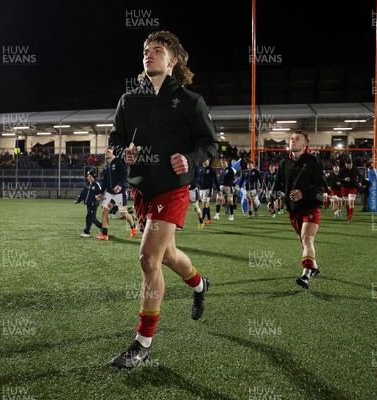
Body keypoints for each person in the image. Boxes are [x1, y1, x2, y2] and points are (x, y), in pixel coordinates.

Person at [108, 30, 219, 368]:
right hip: (143, 189)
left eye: (157, 50)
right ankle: (200, 284)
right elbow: (115, 141)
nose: (149, 54)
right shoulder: (129, 101)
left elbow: (210, 145)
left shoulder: (190, 101)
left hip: (173, 189)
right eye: (146, 50)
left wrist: (191, 158)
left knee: (147, 259)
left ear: (173, 60)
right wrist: (121, 153)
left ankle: (143, 343)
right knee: (167, 256)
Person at [273, 131, 327, 290]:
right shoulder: (284, 163)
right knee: (302, 240)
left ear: (305, 145)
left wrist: (303, 193)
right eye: (291, 138)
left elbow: (321, 185)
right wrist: (273, 200)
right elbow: (277, 185)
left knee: (307, 238)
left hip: (310, 205)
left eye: (297, 139)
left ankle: (306, 275)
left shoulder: (313, 161)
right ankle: (314, 267)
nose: (292, 140)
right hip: (293, 209)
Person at [95, 147, 137, 240]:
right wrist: (101, 193)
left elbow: (125, 174)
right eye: (105, 151)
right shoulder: (106, 167)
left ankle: (133, 226)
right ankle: (104, 234)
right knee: (104, 211)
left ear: (113, 153)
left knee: (123, 213)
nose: (106, 153)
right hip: (110, 193)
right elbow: (105, 182)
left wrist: (120, 186)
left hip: (120, 193)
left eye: (108, 151)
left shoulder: (119, 162)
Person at [74, 170, 103, 237]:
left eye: (90, 176)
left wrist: (98, 197)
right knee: (92, 218)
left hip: (94, 204)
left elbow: (101, 193)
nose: (88, 177)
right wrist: (78, 200)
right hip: (89, 204)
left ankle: (86, 232)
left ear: (93, 177)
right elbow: (83, 194)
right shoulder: (88, 185)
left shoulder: (96, 184)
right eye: (88, 176)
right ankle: (102, 227)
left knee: (89, 217)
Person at [197, 158, 220, 226]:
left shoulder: (211, 169)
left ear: (208, 161)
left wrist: (219, 190)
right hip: (201, 189)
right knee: (206, 205)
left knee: (205, 204)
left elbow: (215, 180)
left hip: (208, 189)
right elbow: (198, 179)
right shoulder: (200, 169)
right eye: (203, 160)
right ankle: (209, 219)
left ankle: (202, 220)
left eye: (205, 160)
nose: (204, 161)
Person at [339, 158, 360, 223]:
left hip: (353, 187)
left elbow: (360, 176)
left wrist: (360, 182)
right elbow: (338, 178)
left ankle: (350, 217)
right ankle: (348, 215)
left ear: (352, 164)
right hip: (345, 188)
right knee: (347, 203)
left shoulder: (355, 169)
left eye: (350, 165)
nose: (349, 166)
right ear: (345, 164)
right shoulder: (342, 170)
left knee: (351, 202)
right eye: (348, 165)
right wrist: (344, 179)